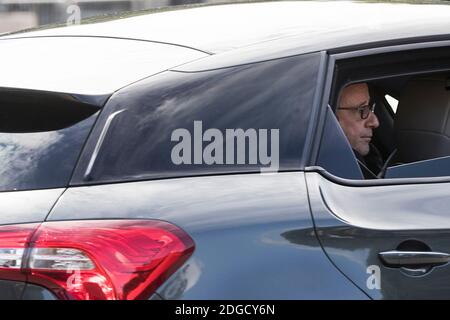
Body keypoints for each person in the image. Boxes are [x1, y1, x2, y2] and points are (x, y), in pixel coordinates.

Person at [336, 82, 381, 178]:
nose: (375, 122)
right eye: (362, 110)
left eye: (370, 107)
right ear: (332, 114)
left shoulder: (372, 160)